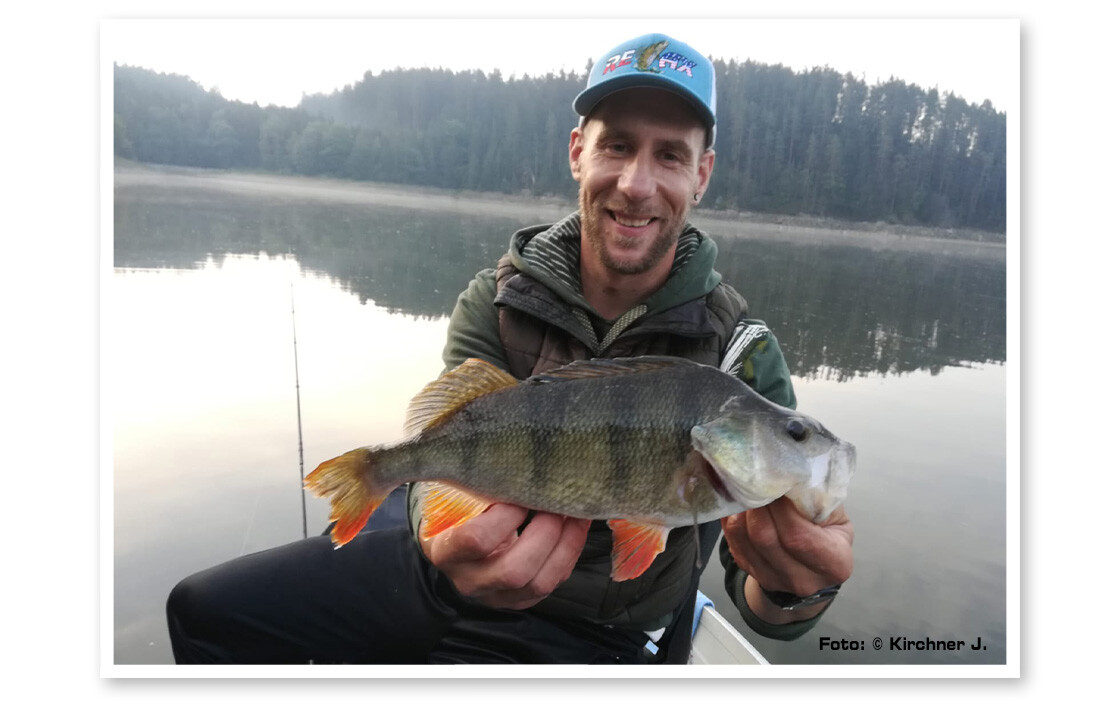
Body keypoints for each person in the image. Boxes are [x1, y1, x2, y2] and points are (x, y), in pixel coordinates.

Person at [166, 32, 854, 664]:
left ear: (701, 174)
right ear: (578, 152)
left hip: (601, 636)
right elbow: (439, 459)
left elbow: (761, 601)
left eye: (669, 154)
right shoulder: (497, 297)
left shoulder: (740, 355)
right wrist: (440, 548)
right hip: (450, 592)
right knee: (203, 611)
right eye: (616, 145)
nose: (636, 183)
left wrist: (798, 588)